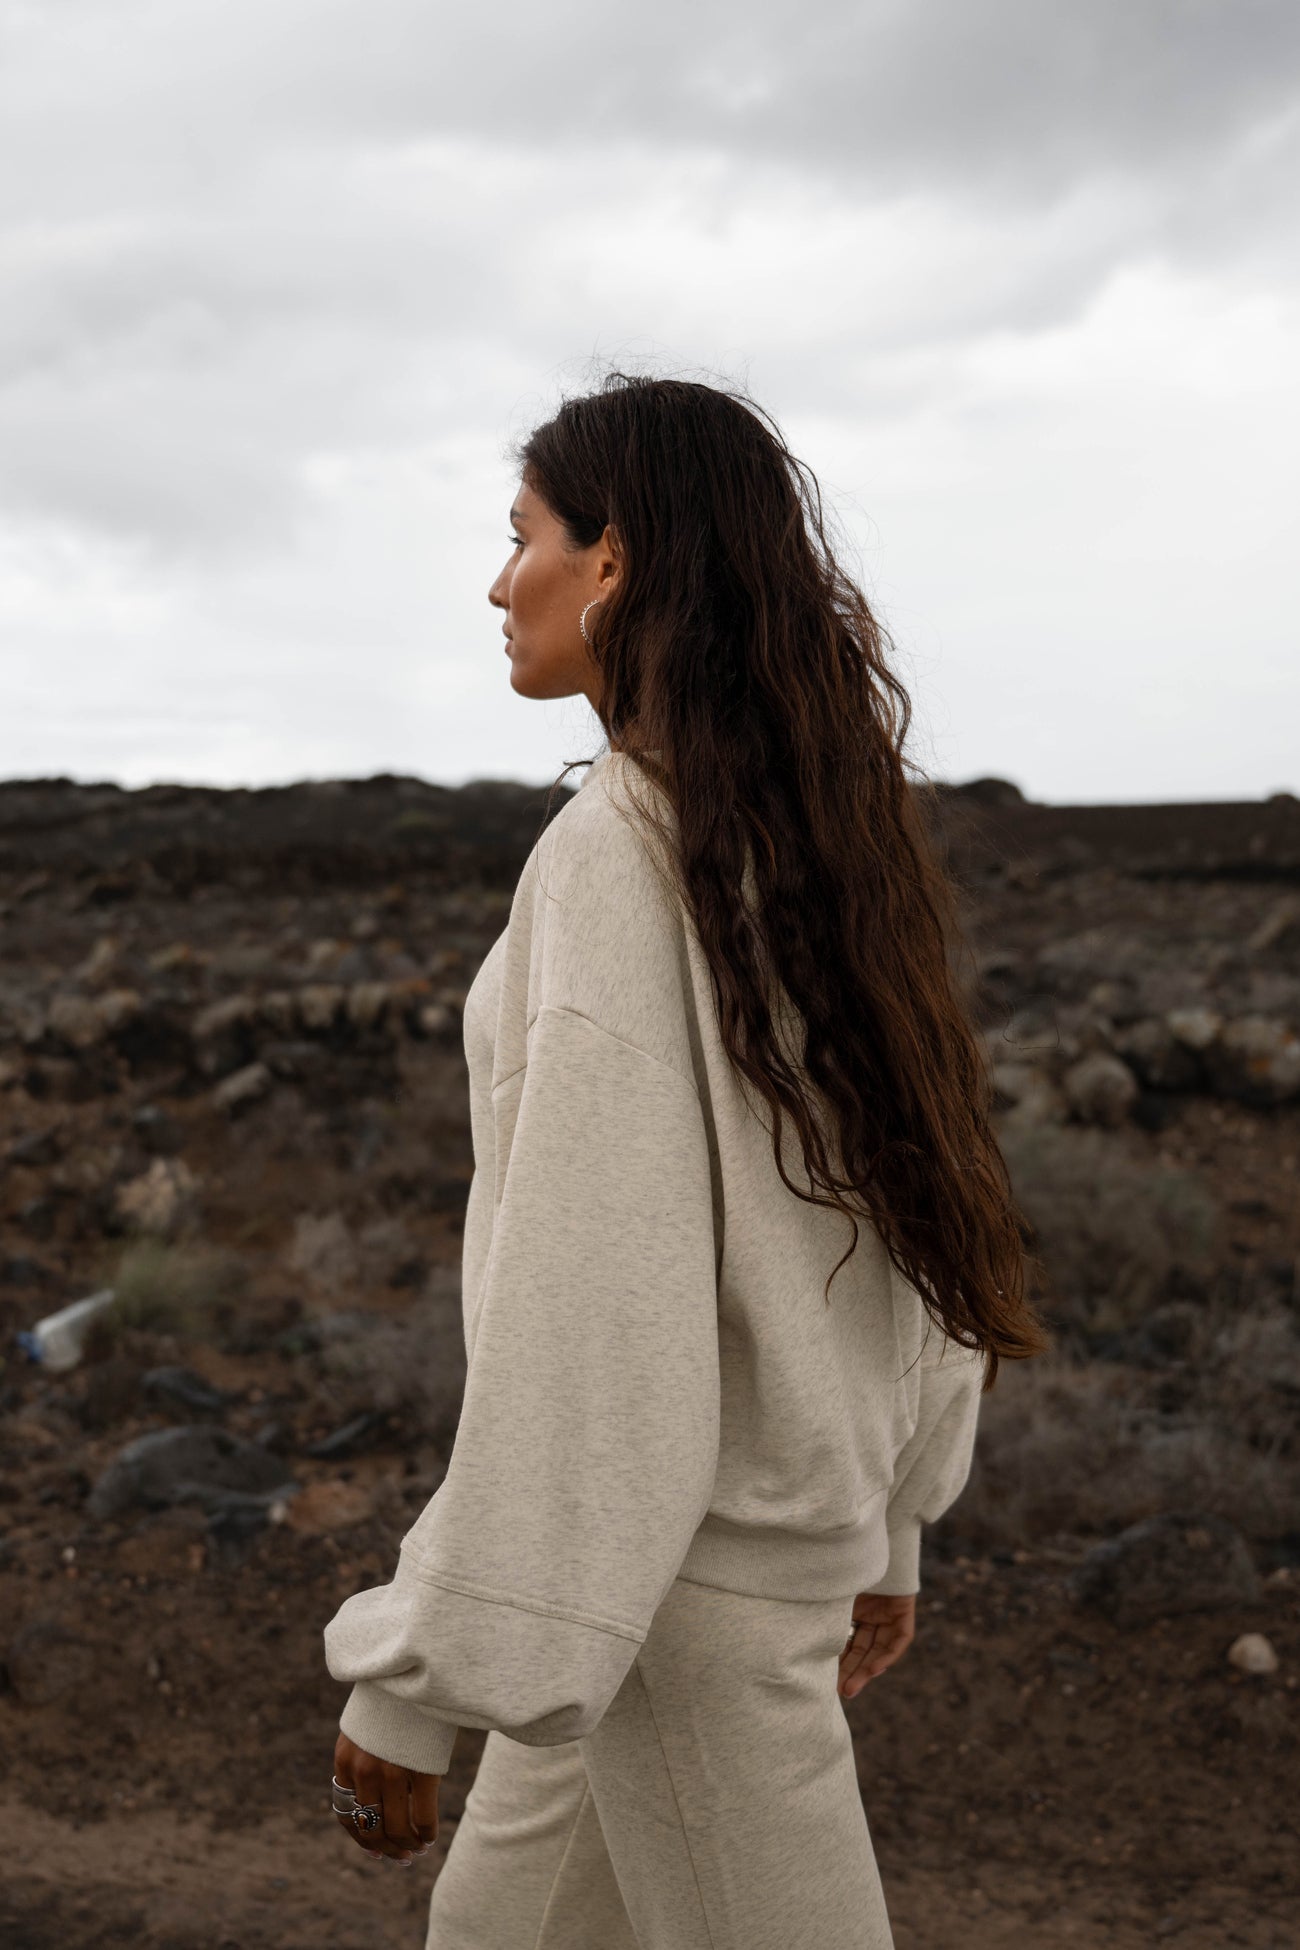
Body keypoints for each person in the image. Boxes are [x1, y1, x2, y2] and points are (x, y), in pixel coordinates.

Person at [322, 372, 1050, 1949]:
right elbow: (912, 1203)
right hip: (682, 1569)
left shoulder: (617, 853)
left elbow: (588, 1294)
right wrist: (890, 1521)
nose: (498, 583)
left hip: (684, 1606)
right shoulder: (809, 846)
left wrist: (415, 1677)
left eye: (521, 536)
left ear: (614, 559)